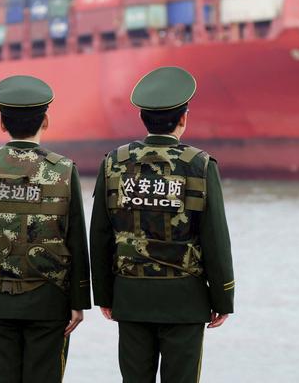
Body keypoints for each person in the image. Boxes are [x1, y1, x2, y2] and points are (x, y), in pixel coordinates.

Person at [90, 66, 235, 383]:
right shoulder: (200, 165)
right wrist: (223, 299)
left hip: (130, 296)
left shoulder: (114, 162)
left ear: (142, 118)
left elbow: (100, 234)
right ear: (183, 118)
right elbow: (215, 239)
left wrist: (105, 295)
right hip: (184, 300)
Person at [0, 75, 91, 383]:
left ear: (2, 124)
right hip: (49, 301)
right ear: (46, 121)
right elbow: (76, 239)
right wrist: (78, 302)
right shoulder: (63, 170)